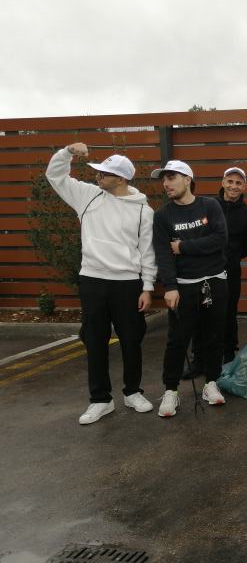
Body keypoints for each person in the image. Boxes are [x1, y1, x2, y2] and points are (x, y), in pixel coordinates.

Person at [45, 143, 156, 425]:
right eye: (98, 172)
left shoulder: (144, 211)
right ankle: (100, 400)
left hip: (128, 284)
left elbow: (147, 252)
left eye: (104, 174)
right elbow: (55, 176)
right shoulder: (87, 196)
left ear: (120, 179)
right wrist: (67, 152)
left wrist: (147, 287)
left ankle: (133, 392)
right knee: (95, 341)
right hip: (93, 280)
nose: (97, 177)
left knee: (132, 340)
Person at [152, 160, 229, 417]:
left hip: (215, 281)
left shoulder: (210, 205)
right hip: (183, 287)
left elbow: (220, 239)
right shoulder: (163, 215)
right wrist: (170, 286)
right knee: (177, 340)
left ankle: (211, 384)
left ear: (187, 179)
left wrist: (183, 247)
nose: (166, 184)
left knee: (213, 336)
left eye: (171, 177)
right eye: (164, 179)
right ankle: (171, 391)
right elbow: (163, 253)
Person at [185, 167, 247, 368]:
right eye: (230, 181)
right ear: (223, 182)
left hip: (230, 271)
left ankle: (228, 354)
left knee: (228, 312)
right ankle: (199, 358)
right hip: (203, 269)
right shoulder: (206, 206)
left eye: (238, 183)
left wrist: (231, 257)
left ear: (244, 186)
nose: (234, 186)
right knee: (201, 313)